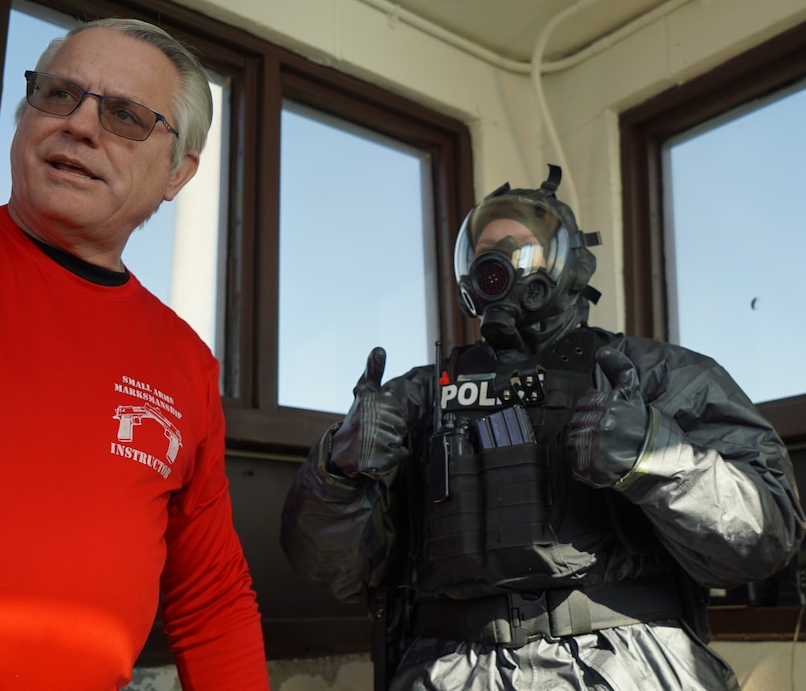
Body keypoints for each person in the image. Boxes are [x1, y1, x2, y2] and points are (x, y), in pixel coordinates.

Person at [280, 164, 805, 690]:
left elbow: (766, 538)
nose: (498, 262)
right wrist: (337, 472)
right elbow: (332, 568)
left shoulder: (657, 376)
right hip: (448, 669)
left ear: (569, 265)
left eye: (518, 247)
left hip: (628, 664)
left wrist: (655, 456)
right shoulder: (417, 397)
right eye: (485, 248)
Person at [0, 18, 269, 690]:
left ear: (176, 174)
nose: (78, 125)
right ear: (24, 115)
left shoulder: (185, 363)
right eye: (57, 94)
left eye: (125, 115)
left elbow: (211, 601)